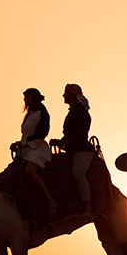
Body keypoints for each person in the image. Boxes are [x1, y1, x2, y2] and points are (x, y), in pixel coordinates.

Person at [10, 87, 57, 218]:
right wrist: (19, 144)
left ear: (33, 98)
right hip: (26, 148)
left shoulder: (42, 113)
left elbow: (41, 133)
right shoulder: (29, 113)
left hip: (37, 148)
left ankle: (50, 201)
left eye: (27, 97)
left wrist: (24, 144)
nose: (25, 99)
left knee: (30, 170)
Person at [50, 83, 95, 219]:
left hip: (82, 150)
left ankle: (88, 207)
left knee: (78, 173)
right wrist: (60, 141)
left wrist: (66, 142)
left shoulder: (82, 113)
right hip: (72, 150)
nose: (63, 95)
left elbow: (80, 135)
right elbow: (69, 134)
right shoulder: (72, 112)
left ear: (72, 95)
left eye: (66, 93)